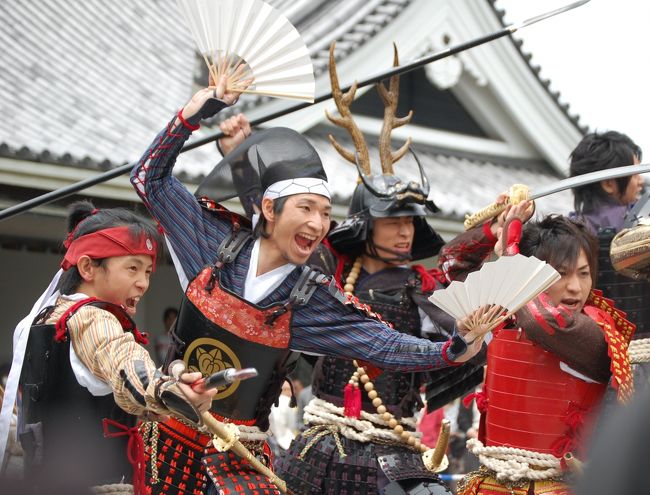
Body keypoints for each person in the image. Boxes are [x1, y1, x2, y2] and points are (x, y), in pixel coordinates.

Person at [130, 72, 488, 495]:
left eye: (325, 212)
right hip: (166, 444)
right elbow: (149, 178)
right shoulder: (210, 243)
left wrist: (455, 347)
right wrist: (200, 109)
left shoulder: (312, 298)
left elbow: (386, 344)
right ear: (268, 208)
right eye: (306, 208)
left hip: (238, 461)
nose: (319, 224)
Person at [275, 44, 486, 495]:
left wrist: (493, 233)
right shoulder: (328, 276)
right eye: (394, 222)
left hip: (394, 446)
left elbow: (461, 335)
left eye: (411, 222)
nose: (405, 233)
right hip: (321, 438)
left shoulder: (422, 290)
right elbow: (281, 236)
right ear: (367, 227)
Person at [2, 201, 217, 495]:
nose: (143, 283)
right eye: (133, 268)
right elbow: (122, 359)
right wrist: (168, 391)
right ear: (88, 267)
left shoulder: (44, 317)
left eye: (148, 272)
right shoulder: (94, 319)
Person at [453, 212, 635, 495]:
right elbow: (452, 266)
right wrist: (493, 230)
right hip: (490, 486)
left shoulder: (594, 330)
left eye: (584, 273)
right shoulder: (502, 320)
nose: (576, 286)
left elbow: (541, 320)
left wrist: (512, 261)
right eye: (561, 273)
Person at [569, 131, 650, 338]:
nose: (640, 181)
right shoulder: (643, 225)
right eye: (634, 174)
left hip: (587, 347)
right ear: (608, 184)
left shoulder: (566, 231)